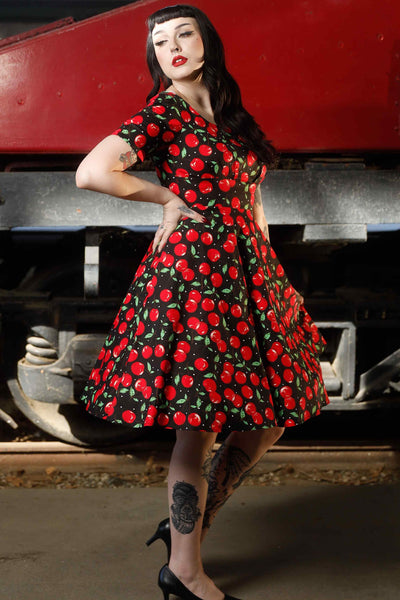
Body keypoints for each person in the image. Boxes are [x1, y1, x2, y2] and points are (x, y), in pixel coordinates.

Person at [76, 4, 330, 599]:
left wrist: (272, 273)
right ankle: (184, 573)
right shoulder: (163, 112)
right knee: (199, 428)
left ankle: (187, 528)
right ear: (156, 59)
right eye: (161, 43)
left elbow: (253, 203)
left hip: (249, 276)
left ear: (206, 41)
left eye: (183, 34)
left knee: (272, 417)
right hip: (196, 279)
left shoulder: (231, 116)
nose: (173, 48)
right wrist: (166, 197)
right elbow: (93, 172)